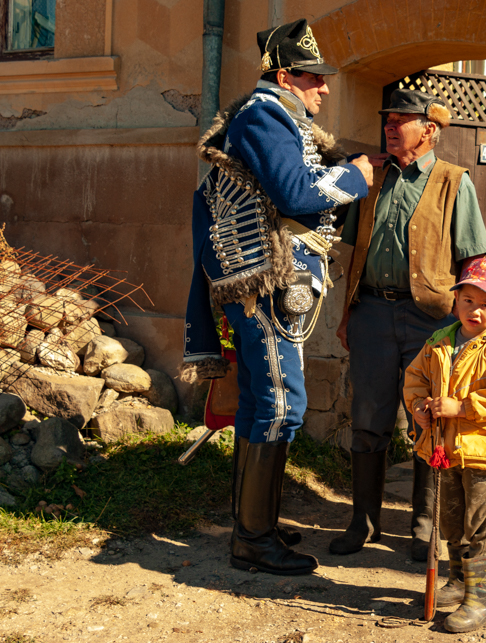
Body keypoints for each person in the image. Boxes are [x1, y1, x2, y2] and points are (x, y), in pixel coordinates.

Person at [180, 18, 374, 575]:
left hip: (265, 279)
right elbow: (295, 193)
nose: (324, 88)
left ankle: (253, 523)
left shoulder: (272, 114)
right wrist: (355, 175)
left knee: (259, 402)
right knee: (283, 405)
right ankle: (253, 539)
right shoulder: (265, 113)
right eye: (313, 77)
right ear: (285, 76)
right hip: (265, 281)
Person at [333, 89, 486, 560]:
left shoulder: (454, 181)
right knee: (368, 419)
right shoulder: (371, 177)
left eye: (402, 119)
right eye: (388, 118)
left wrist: (471, 323)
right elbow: (354, 251)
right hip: (371, 313)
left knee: (431, 419)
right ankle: (363, 522)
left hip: (431, 319)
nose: (390, 125)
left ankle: (426, 527)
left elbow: (473, 260)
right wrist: (347, 315)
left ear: (430, 129)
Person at [403, 257, 486, 633]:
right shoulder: (438, 341)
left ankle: (482, 598)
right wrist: (419, 407)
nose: (475, 310)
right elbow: (416, 378)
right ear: (455, 300)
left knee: (480, 525)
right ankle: (458, 581)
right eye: (468, 301)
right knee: (452, 521)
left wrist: (461, 407)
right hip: (447, 450)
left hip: (484, 452)